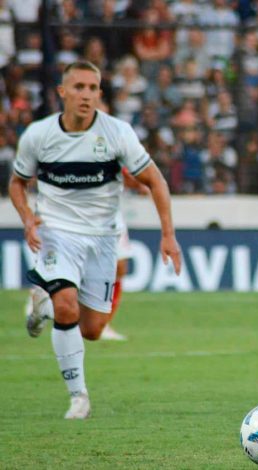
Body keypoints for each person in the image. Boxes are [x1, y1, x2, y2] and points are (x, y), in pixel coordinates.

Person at [8, 61, 181, 419]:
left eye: (92, 88)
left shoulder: (117, 133)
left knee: (92, 329)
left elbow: (156, 180)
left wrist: (168, 235)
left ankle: (44, 305)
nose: (86, 95)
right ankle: (79, 398)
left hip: (102, 237)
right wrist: (28, 219)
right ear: (62, 92)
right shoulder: (38, 136)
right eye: (79, 87)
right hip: (57, 233)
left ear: (100, 94)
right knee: (69, 306)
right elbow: (16, 182)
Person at [24, 167, 149, 342]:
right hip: (84, 210)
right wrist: (141, 184)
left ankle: (101, 322)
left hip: (109, 209)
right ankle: (48, 299)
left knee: (120, 268)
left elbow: (123, 170)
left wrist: (140, 183)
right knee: (81, 265)